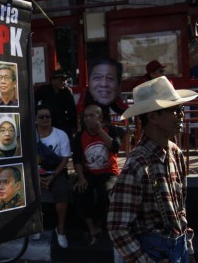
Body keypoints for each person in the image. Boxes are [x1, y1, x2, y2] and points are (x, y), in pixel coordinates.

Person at [107, 76, 196, 263]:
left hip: (179, 250)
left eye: (180, 109)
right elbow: (117, 228)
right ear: (153, 117)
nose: (181, 114)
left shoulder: (176, 154)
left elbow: (181, 211)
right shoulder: (137, 165)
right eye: (174, 110)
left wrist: (188, 247)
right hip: (155, 253)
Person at [72, 104, 124, 246]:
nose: (88, 119)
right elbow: (76, 159)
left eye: (92, 115)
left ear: (100, 118)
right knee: (79, 191)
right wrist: (81, 178)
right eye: (86, 116)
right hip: (89, 172)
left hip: (109, 172)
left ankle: (102, 225)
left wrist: (99, 130)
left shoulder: (111, 130)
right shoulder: (80, 136)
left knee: (106, 192)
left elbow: (115, 147)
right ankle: (92, 228)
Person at [35, 104, 71, 248]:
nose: (45, 119)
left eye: (48, 116)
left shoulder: (60, 134)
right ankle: (35, 225)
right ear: (36, 119)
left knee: (63, 191)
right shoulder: (30, 134)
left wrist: (53, 176)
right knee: (27, 190)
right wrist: (37, 178)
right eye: (41, 117)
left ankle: (60, 229)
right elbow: (26, 158)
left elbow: (65, 158)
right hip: (35, 174)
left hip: (55, 173)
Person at [76, 58, 129, 123]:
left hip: (104, 124)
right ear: (89, 81)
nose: (103, 84)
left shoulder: (111, 94)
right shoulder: (86, 94)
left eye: (110, 78)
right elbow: (80, 109)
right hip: (89, 126)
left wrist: (135, 111)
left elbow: (120, 107)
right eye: (97, 78)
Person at [34, 71, 77, 140]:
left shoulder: (67, 92)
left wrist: (74, 127)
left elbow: (72, 110)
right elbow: (33, 102)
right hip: (47, 120)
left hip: (62, 122)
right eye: (61, 80)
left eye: (65, 80)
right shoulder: (44, 90)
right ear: (53, 81)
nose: (64, 82)